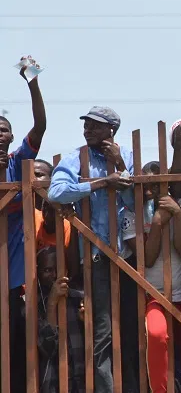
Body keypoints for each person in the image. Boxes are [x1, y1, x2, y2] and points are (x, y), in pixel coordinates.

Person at [50, 106, 135, 393]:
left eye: (95, 126)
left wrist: (120, 164)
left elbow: (137, 204)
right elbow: (56, 192)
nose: (88, 130)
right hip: (97, 256)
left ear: (111, 131)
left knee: (131, 328)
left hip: (127, 256)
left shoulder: (128, 157)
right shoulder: (77, 158)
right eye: (86, 125)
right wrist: (101, 183)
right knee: (103, 333)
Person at [121, 161, 181, 393]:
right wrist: (159, 223)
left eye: (155, 186)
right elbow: (147, 259)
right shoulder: (130, 216)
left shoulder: (180, 205)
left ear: (167, 184)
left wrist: (178, 216)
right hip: (153, 296)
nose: (149, 192)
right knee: (157, 336)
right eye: (144, 186)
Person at [2, 59, 46, 393]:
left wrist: (31, 82)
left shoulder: (19, 162)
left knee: (18, 351)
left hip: (16, 280)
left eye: (2, 129)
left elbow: (41, 126)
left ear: (11, 135)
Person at [33, 247, 86, 393]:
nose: (54, 275)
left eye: (58, 270)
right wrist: (51, 303)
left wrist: (86, 323)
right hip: (53, 385)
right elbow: (47, 348)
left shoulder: (78, 299)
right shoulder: (32, 306)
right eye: (47, 270)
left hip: (81, 384)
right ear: (37, 274)